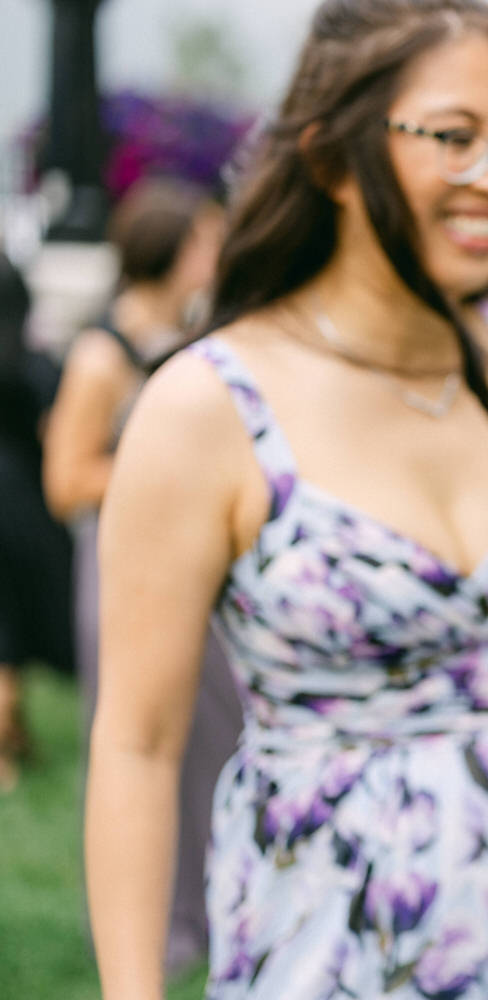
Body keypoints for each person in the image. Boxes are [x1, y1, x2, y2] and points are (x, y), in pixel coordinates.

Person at [84, 2, 488, 997]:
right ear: (329, 158)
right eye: (455, 138)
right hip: (330, 928)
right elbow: (137, 745)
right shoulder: (208, 405)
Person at [44, 178, 234, 973]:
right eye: (207, 238)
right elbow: (66, 481)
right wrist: (166, 470)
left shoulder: (199, 341)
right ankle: (152, 935)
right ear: (174, 247)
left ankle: (217, 910)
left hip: (208, 569)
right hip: (120, 565)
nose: (218, 253)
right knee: (139, 739)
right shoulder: (101, 353)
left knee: (217, 740)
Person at [0, 253, 73, 791]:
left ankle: (12, 740)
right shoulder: (32, 366)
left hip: (16, 509)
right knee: (11, 635)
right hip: (21, 508)